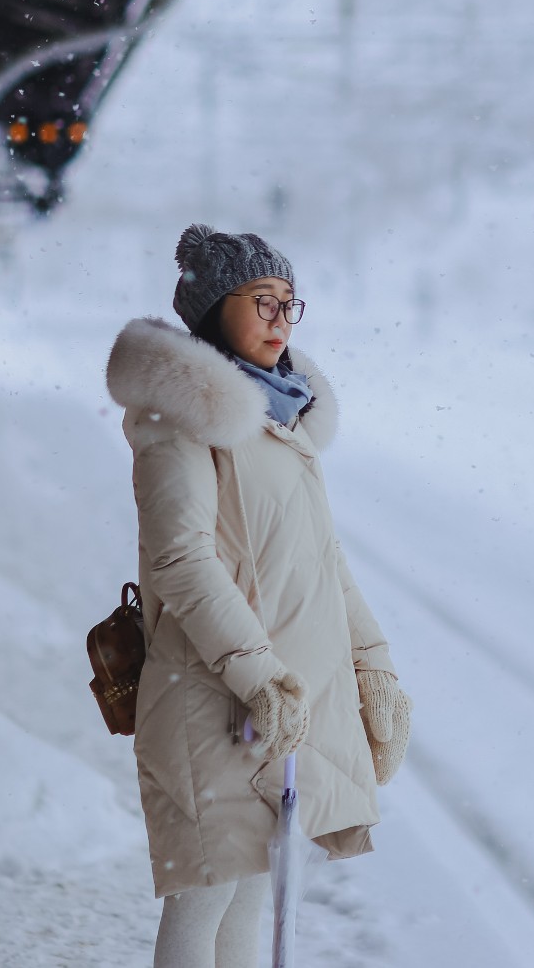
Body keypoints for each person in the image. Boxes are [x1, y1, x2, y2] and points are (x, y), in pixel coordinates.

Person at [106, 224, 412, 968]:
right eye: (262, 301)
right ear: (215, 310)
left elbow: (323, 564)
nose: (281, 318)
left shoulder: (284, 418)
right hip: (213, 694)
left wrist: (373, 666)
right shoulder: (180, 418)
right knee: (204, 895)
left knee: (249, 891)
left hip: (275, 703)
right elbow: (182, 560)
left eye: (289, 303)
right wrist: (259, 672)